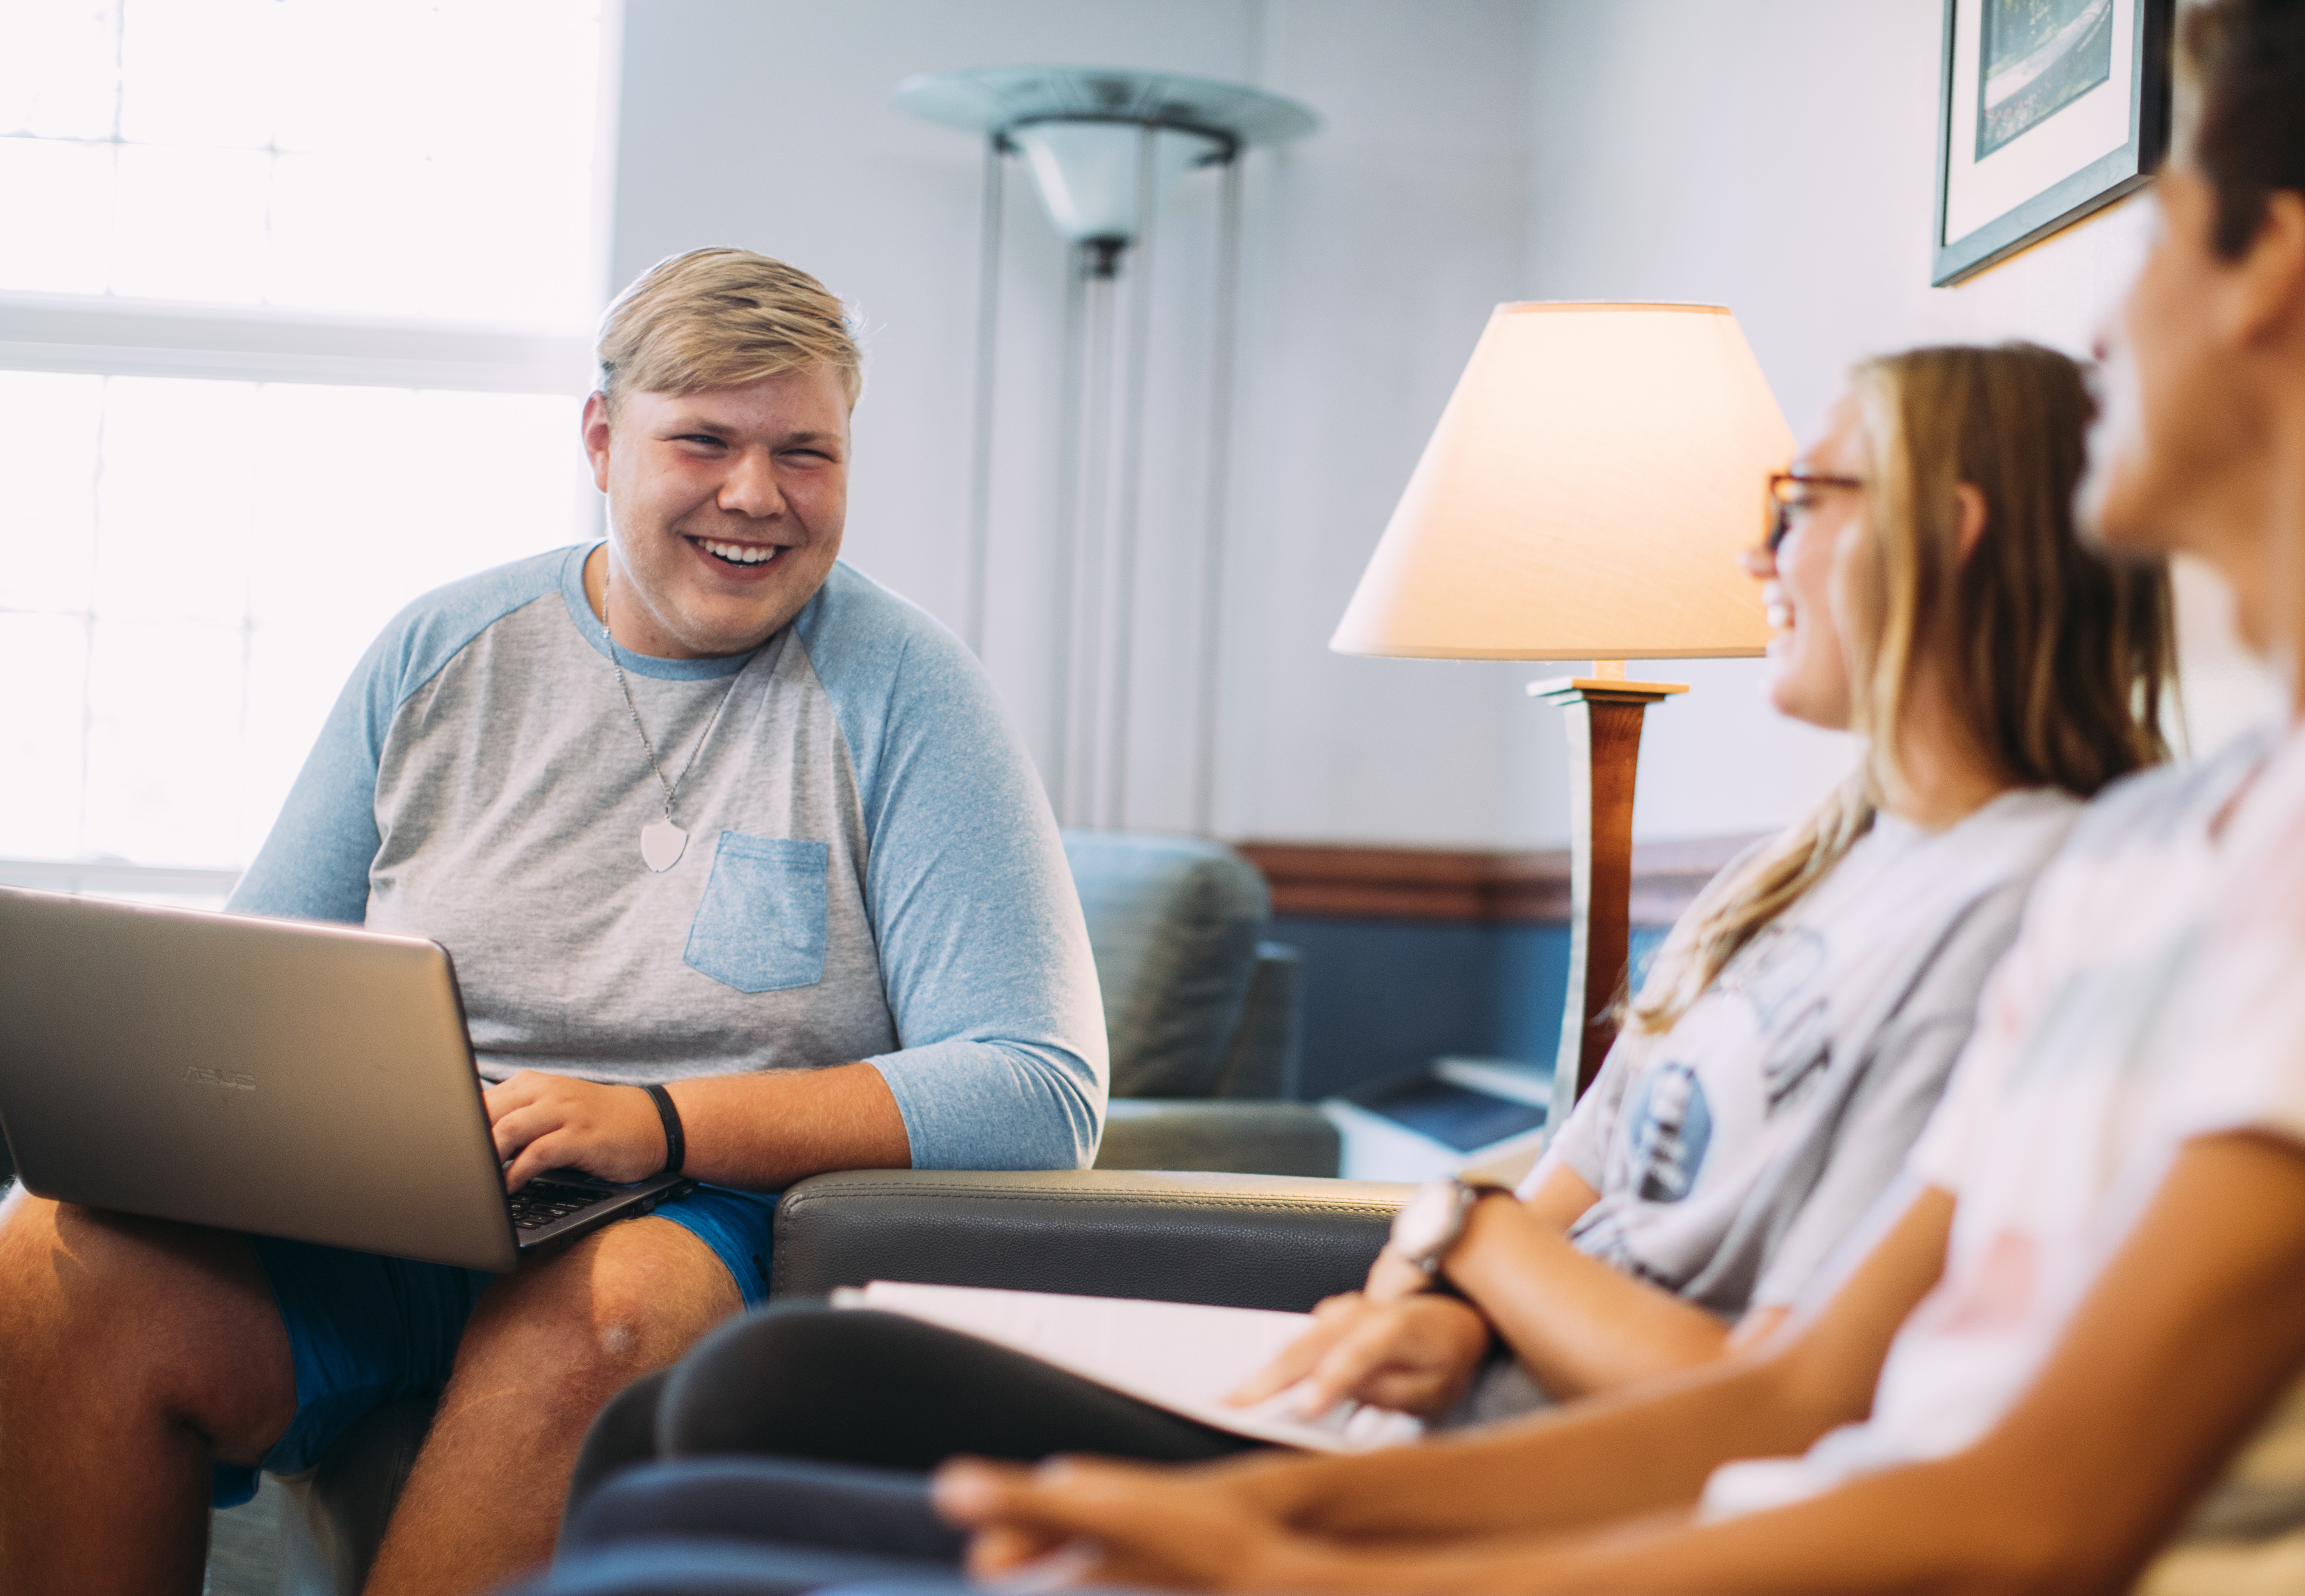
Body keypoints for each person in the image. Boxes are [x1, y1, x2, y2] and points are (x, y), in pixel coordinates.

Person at [403, 0, 2305, 1596]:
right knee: (673, 1544)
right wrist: (1304, 1518)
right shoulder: (2208, 824)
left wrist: (1328, 1585)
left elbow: (2026, 1535)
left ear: (2278, 268)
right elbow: (1821, 1400)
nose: (2107, 330)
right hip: (1781, 1586)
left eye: (2164, 231)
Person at [553, 340, 2174, 1505]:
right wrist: (1437, 1287)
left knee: (751, 1407)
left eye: (1803, 499)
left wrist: (1463, 1246)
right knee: (702, 1416)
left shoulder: (2040, 905)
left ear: (1951, 533)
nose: (1760, 550)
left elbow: (1760, 1373)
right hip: (1431, 1377)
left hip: (1536, 1453)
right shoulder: (1806, 865)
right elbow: (1559, 1184)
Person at [0, 249, 1106, 1596]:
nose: (757, 497)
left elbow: (1036, 1089)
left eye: (806, 454)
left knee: (600, 1316)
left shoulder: (907, 690)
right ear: (601, 439)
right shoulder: (443, 648)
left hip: (701, 1214)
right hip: (398, 1202)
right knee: (46, 1264)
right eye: (702, 442)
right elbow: (254, 987)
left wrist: (658, 1121)